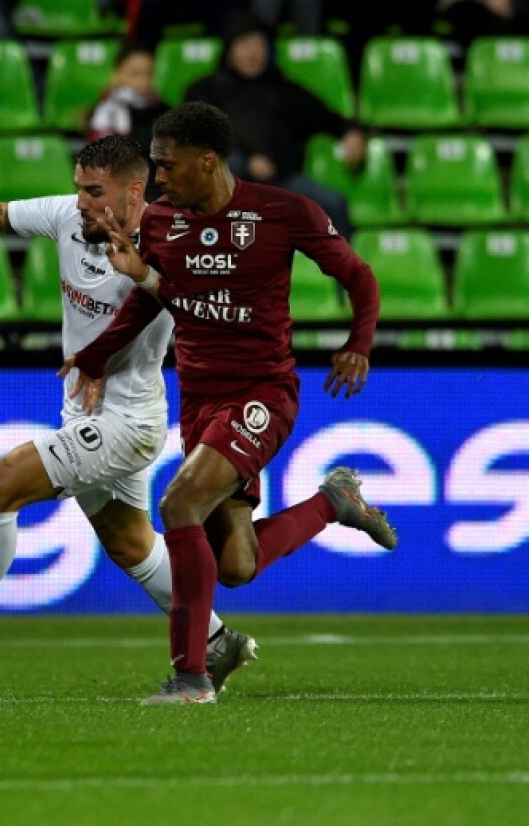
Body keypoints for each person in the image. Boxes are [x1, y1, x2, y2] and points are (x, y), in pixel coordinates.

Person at [0, 135, 258, 693]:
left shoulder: (172, 244)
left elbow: (192, 304)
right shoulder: (65, 215)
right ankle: (218, 641)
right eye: (79, 188)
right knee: (129, 543)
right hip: (84, 412)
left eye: (94, 192)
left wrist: (107, 352)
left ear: (135, 190)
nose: (80, 201)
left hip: (127, 422)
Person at [63, 102, 397, 705]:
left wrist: (359, 344)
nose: (159, 179)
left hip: (262, 392)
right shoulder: (162, 222)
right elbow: (153, 299)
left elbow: (359, 276)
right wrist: (98, 353)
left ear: (206, 160)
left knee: (180, 502)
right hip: (200, 398)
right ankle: (333, 502)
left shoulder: (284, 211)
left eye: (166, 166)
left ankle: (191, 677)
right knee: (237, 565)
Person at [183, 11, 364, 239]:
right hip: (229, 185)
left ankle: (346, 273)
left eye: (259, 45)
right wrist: (248, 158)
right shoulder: (206, 90)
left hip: (282, 182)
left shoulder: (284, 90)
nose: (253, 52)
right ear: (230, 50)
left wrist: (352, 132)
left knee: (334, 203)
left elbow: (330, 118)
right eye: (245, 44)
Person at [86, 44, 169, 152]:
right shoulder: (106, 112)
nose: (142, 81)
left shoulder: (164, 111)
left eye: (148, 74)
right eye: (135, 74)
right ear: (116, 74)